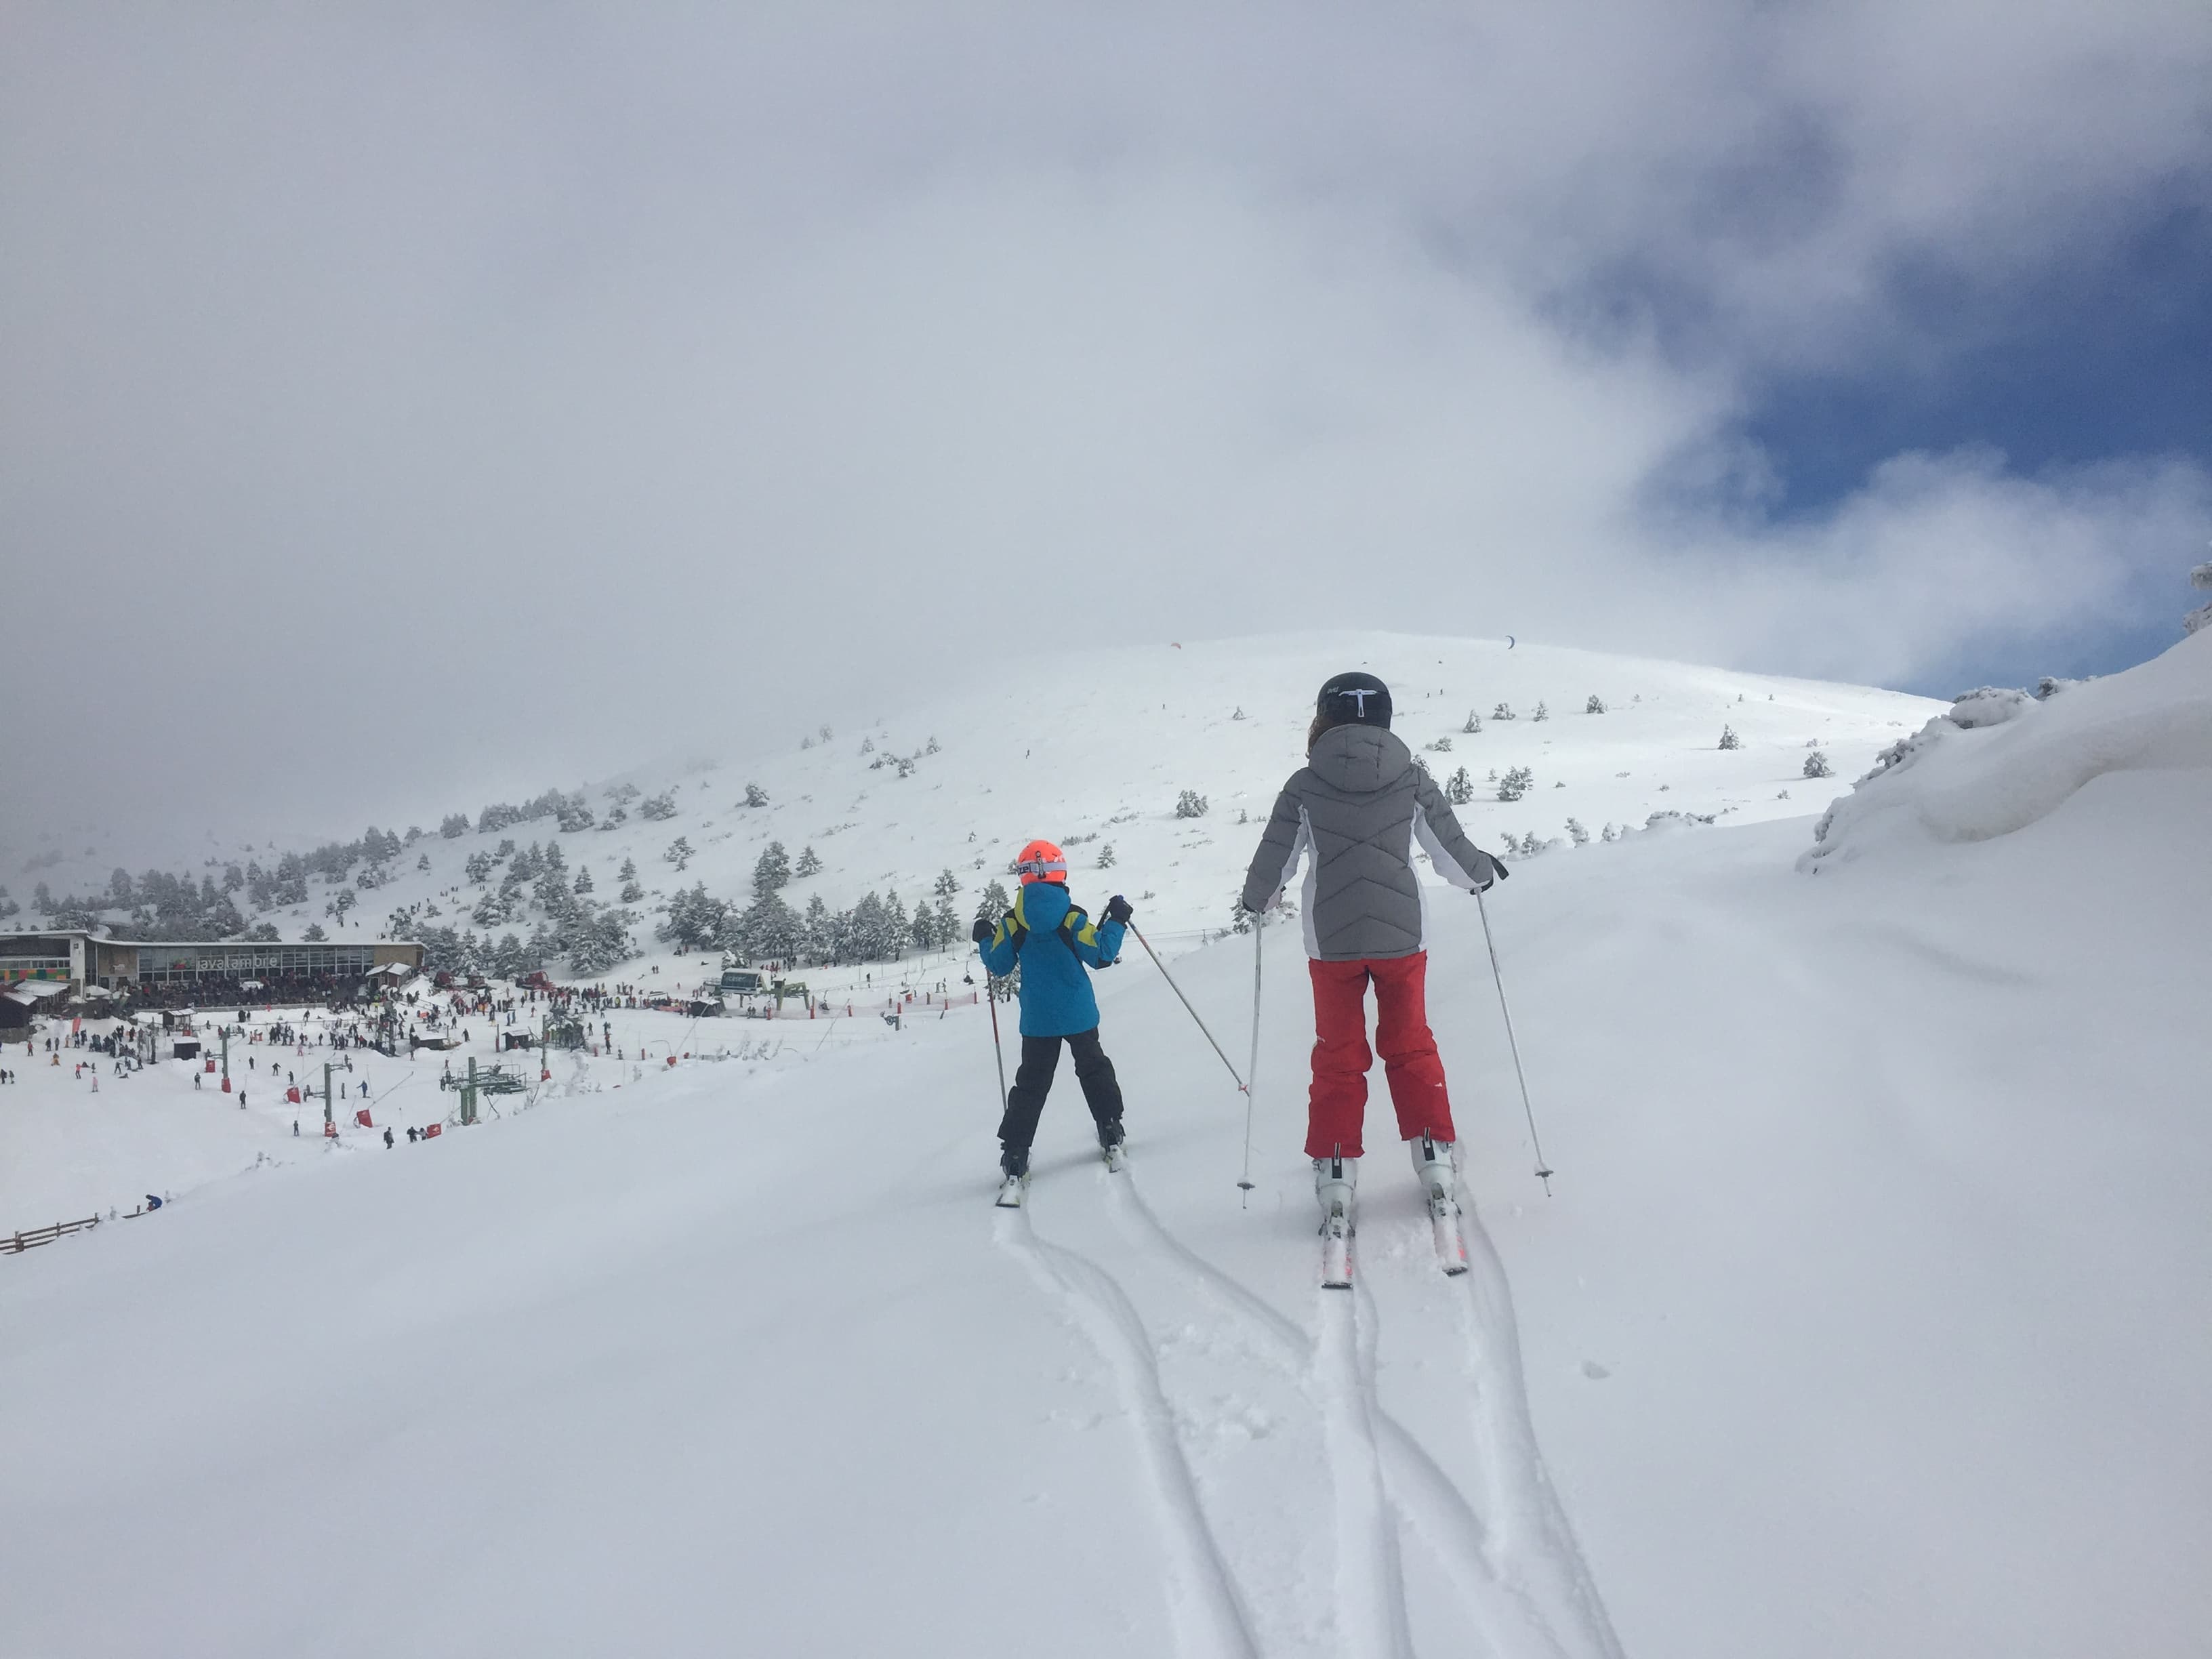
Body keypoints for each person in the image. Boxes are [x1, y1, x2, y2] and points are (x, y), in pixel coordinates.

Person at [1240, 672, 1507, 1229]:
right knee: (1410, 1043)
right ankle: (1433, 1155)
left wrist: (1256, 899)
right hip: (1402, 938)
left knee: (1338, 1051)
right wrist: (1482, 875)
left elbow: (1275, 864)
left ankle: (1336, 1166)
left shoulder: (1303, 786)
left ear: (1324, 718)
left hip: (1330, 942)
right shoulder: (1411, 779)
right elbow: (1451, 854)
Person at [972, 839, 1133, 1185]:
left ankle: (1015, 1154)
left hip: (1038, 1019)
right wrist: (1117, 920)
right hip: (1078, 1013)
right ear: (1060, 873)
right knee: (1093, 1068)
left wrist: (985, 938)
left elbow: (999, 964)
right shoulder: (1071, 916)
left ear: (1023, 877)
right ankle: (1110, 1129)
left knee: (1031, 1085)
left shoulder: (1015, 922)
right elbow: (1102, 955)